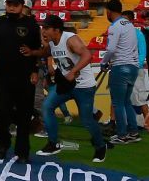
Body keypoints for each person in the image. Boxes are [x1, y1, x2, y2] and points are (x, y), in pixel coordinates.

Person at [38, 15, 106, 162]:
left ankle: (101, 147)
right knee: (47, 106)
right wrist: (32, 52)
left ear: (56, 30)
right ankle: (53, 143)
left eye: (46, 28)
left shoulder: (70, 39)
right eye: (43, 28)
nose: (43, 31)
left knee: (86, 120)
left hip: (83, 86)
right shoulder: (52, 42)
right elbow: (44, 53)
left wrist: (73, 72)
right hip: (66, 85)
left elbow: (88, 55)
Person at [0, 0, 45, 163]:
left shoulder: (31, 25)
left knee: (24, 115)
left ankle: (22, 151)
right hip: (1, 77)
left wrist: (35, 70)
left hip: (25, 77)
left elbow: (38, 51)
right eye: (8, 4)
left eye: (15, 4)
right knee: (0, 114)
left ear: (22, 6)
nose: (11, 7)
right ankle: (3, 144)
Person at [99, 0, 143, 146]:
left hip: (120, 67)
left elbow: (111, 49)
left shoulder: (115, 27)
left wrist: (104, 62)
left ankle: (122, 134)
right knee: (126, 102)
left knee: (118, 103)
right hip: (133, 67)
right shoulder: (130, 25)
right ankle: (134, 132)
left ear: (109, 11)